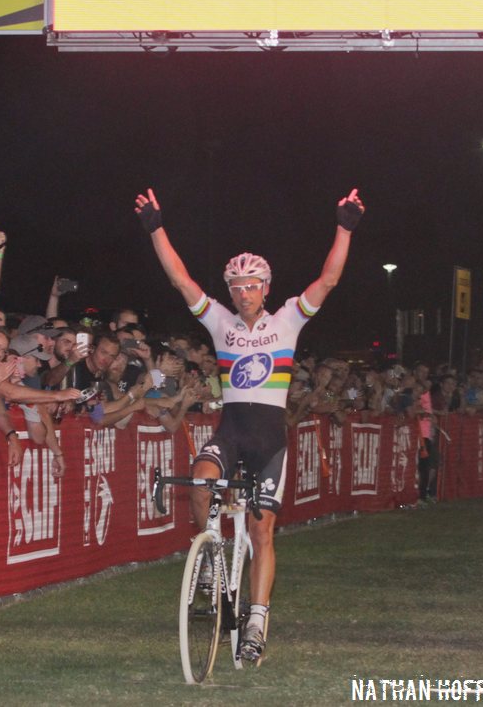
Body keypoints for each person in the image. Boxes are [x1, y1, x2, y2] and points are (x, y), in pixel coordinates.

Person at [134, 184, 364, 663]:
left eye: (251, 286)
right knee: (200, 480)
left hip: (269, 441)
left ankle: (257, 619)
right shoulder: (219, 323)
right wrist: (157, 230)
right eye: (236, 288)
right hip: (232, 430)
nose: (242, 295)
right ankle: (208, 553)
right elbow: (180, 280)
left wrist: (344, 229)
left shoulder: (288, 322)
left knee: (262, 534)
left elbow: (329, 279)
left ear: (266, 288)